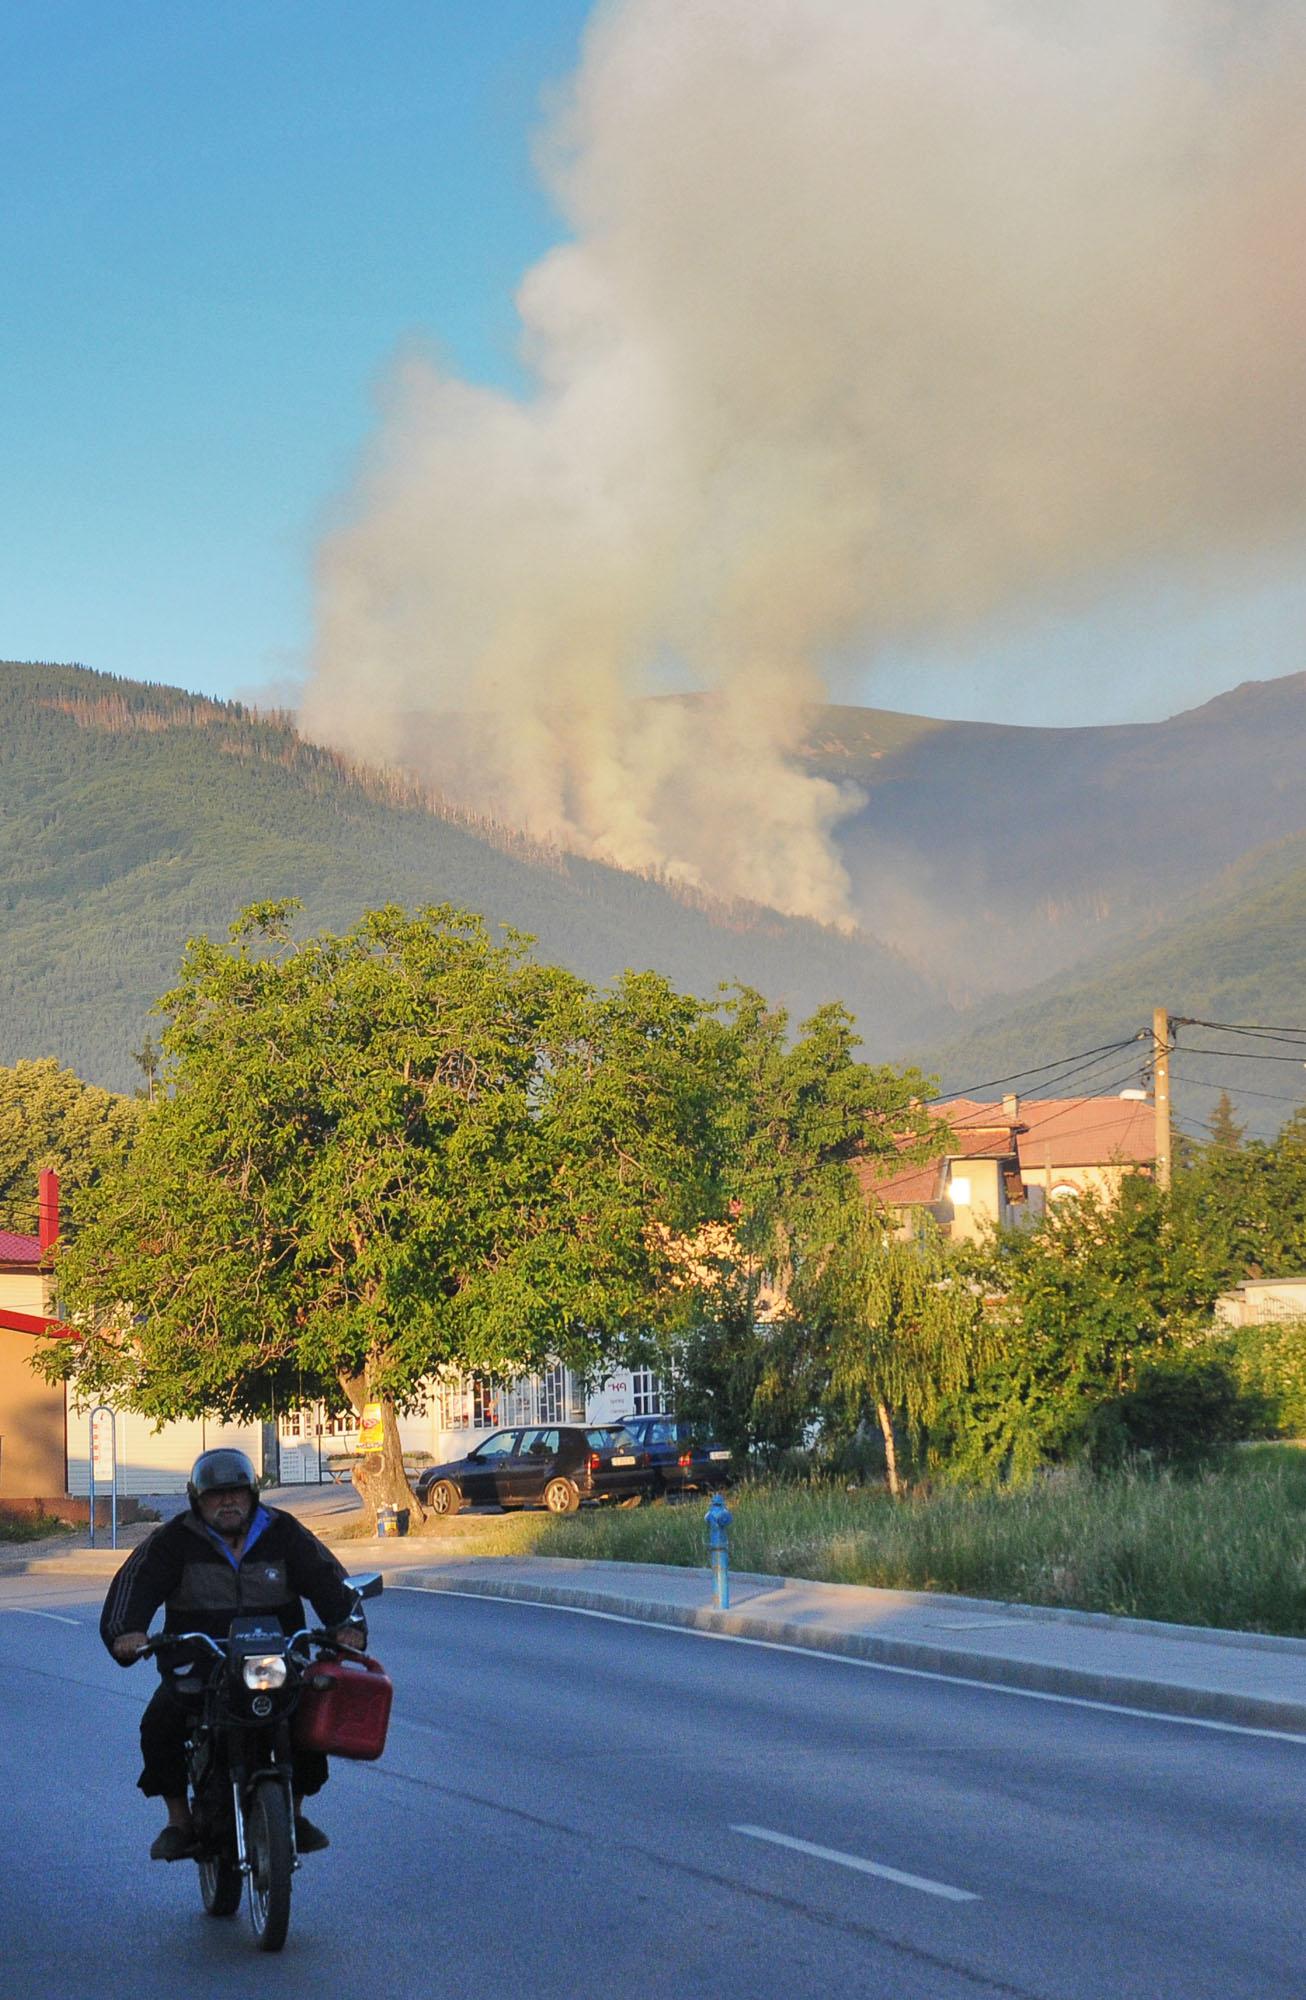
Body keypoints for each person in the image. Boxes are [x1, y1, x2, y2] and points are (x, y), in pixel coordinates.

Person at [100, 1447, 367, 1861]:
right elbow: (135, 1585)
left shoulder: (284, 1532)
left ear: (252, 1494)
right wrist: (126, 1633)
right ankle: (178, 1820)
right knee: (160, 1722)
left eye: (237, 1493)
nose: (228, 1502)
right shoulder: (174, 1541)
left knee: (312, 1708)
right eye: (215, 1495)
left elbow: (331, 1580)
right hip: (201, 1660)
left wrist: (349, 1626)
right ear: (197, 1500)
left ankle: (293, 1812)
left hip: (276, 1658)